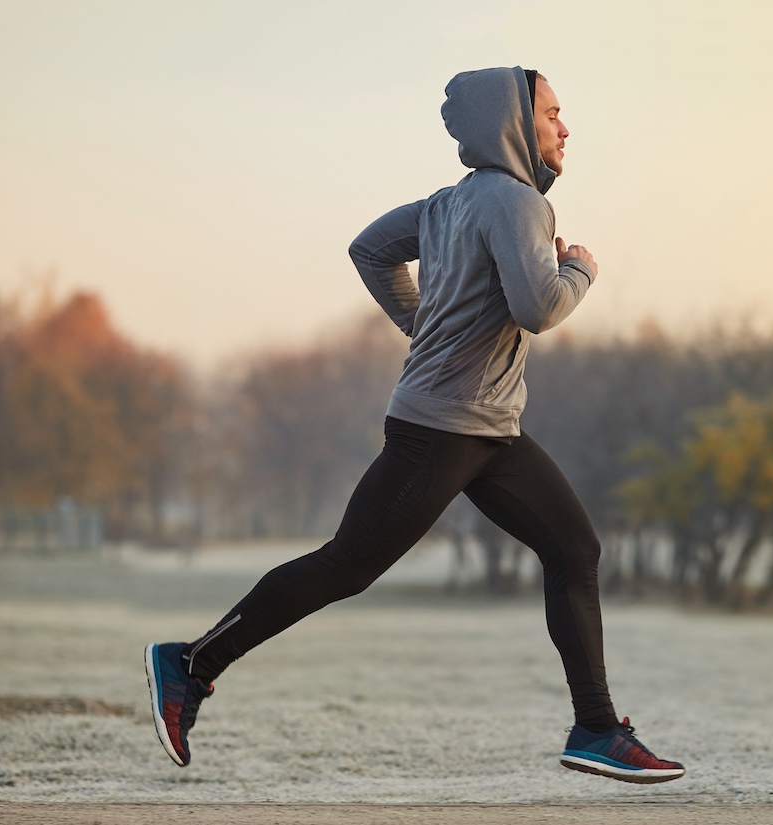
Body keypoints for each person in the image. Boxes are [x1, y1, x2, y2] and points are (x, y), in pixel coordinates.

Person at [144, 66, 685, 785]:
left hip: (490, 430)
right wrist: (580, 270)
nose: (565, 128)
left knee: (574, 549)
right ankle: (189, 664)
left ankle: (596, 728)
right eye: (552, 113)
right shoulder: (520, 203)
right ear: (514, 123)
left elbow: (369, 248)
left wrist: (420, 320)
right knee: (346, 565)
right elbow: (539, 308)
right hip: (443, 429)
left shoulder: (449, 204)